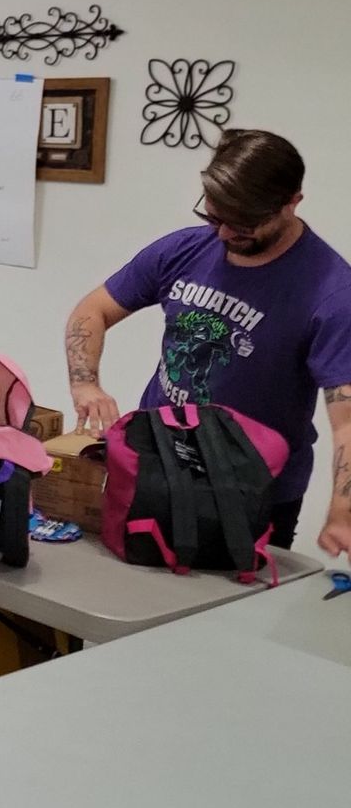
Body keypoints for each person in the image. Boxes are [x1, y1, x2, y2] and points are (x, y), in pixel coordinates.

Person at [65, 129, 351, 556]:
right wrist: (84, 382)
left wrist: (342, 511)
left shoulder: (331, 293)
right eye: (214, 217)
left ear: (292, 202)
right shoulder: (183, 249)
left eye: (242, 224)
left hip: (252, 490)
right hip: (159, 467)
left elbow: (347, 420)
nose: (222, 235)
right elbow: (94, 309)